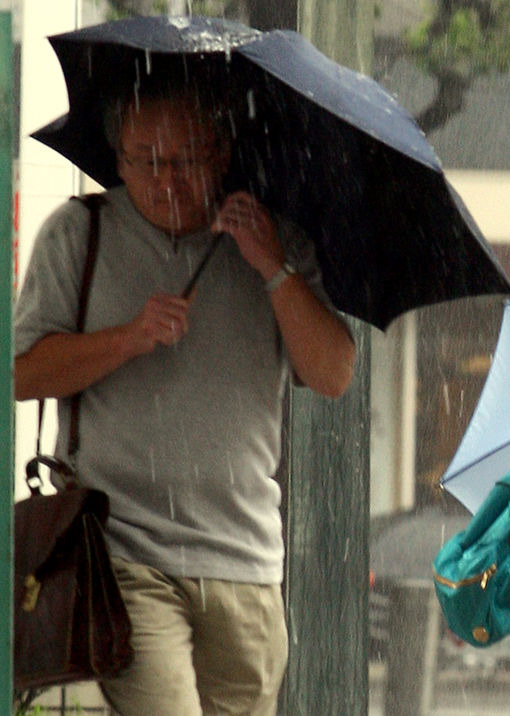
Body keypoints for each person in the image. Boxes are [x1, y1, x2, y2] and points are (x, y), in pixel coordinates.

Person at [14, 77, 356, 715]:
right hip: (124, 553)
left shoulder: (274, 238)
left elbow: (333, 375)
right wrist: (127, 338)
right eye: (146, 161)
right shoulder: (77, 235)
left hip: (247, 561)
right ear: (117, 159)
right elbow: (22, 373)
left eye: (188, 159)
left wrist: (273, 267)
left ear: (222, 152)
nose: (167, 179)